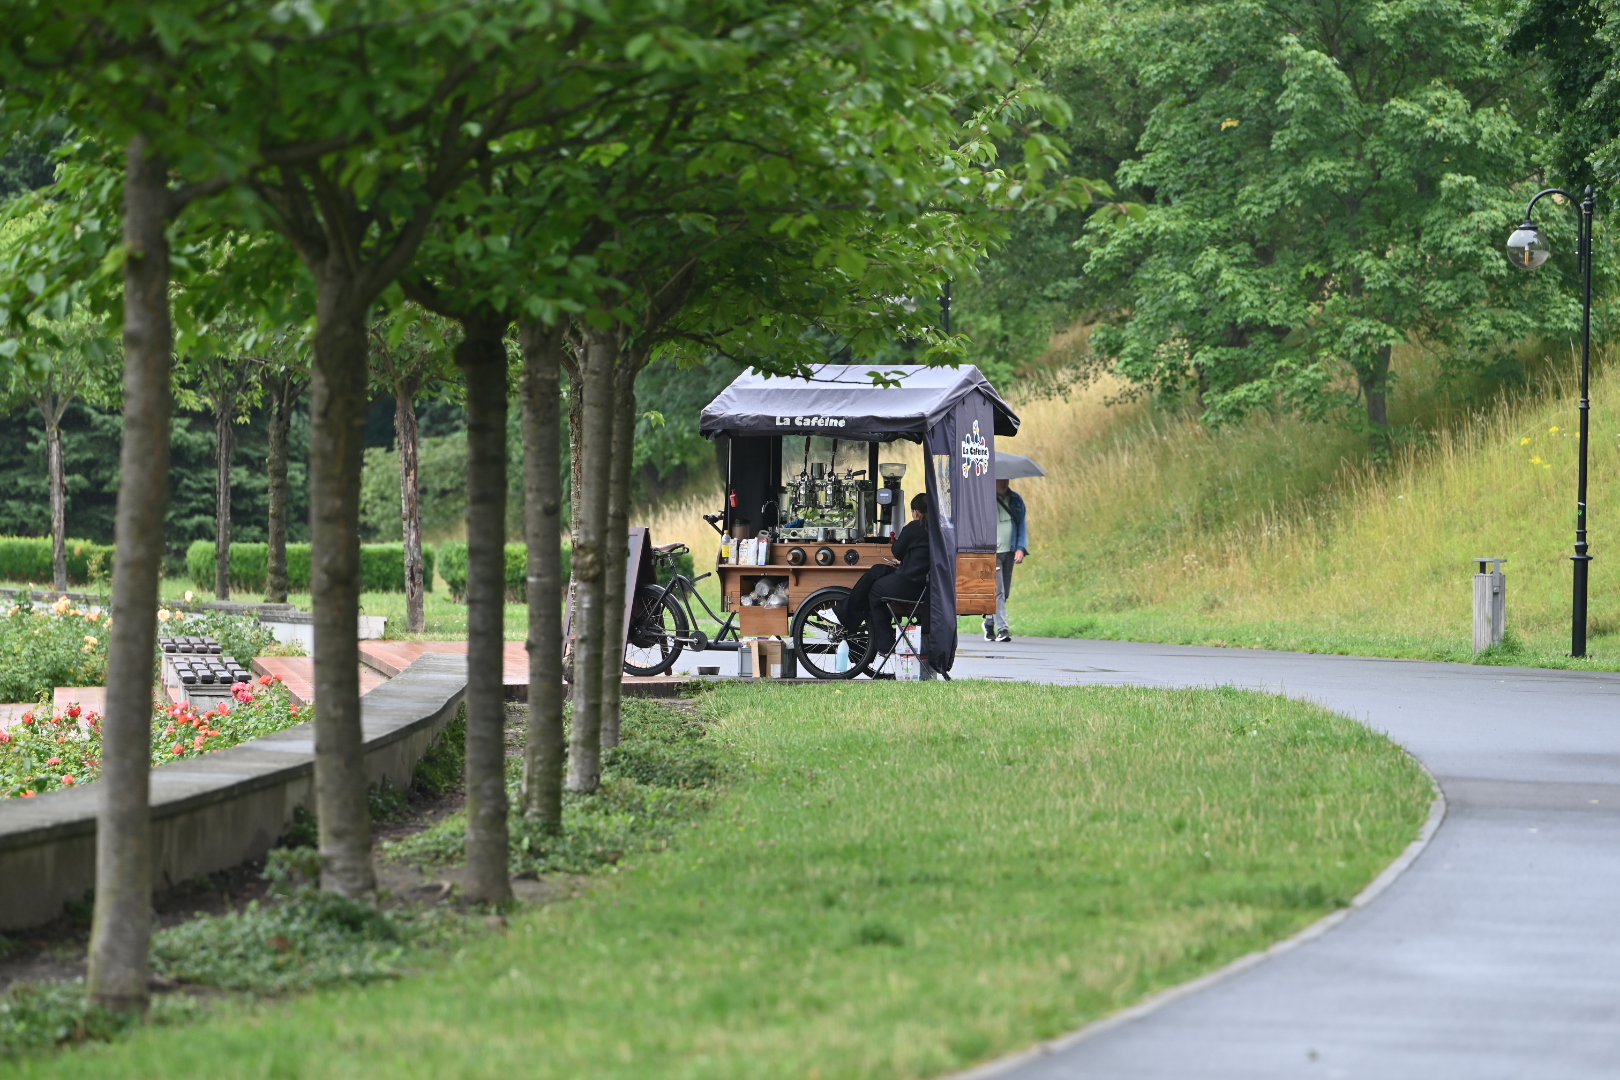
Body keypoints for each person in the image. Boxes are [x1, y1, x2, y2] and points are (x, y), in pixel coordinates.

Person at [838, 492, 931, 657]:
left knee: (874, 591)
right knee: (877, 570)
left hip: (911, 584)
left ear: (916, 512)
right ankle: (845, 612)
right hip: (928, 585)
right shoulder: (940, 529)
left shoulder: (913, 527)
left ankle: (885, 644)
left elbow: (897, 552)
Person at [984, 478, 1028, 642]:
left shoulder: (1016, 499)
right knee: (999, 592)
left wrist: (1021, 548)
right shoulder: (985, 499)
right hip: (992, 554)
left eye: (1006, 479)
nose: (1003, 483)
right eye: (999, 480)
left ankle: (989, 621)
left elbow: (1022, 524)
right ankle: (1003, 629)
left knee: (1005, 593)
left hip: (1009, 551)